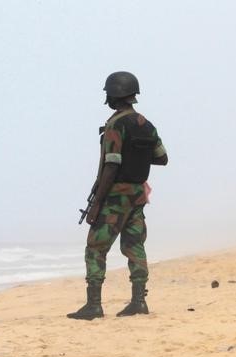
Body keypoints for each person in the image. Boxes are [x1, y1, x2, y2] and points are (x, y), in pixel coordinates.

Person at [68, 71, 168, 320]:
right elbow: (162, 158)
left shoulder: (115, 125)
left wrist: (97, 204)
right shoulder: (147, 124)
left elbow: (111, 165)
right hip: (137, 195)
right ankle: (138, 301)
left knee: (95, 248)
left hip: (115, 197)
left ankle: (93, 305)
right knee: (135, 246)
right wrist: (137, 158)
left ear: (113, 95)